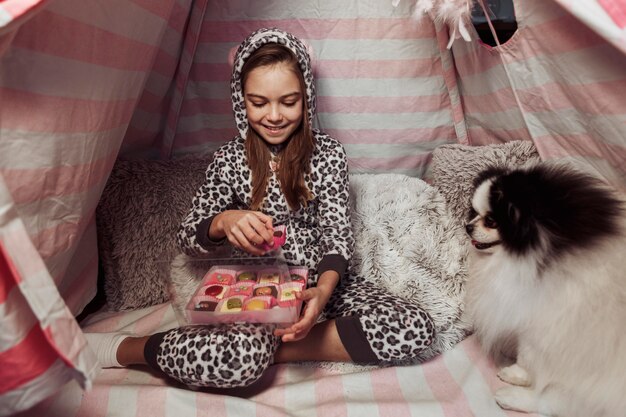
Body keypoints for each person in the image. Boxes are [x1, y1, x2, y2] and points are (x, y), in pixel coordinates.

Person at [85, 28, 435, 388]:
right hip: (256, 289)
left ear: (307, 97)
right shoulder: (229, 160)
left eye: (288, 101)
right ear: (241, 101)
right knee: (237, 362)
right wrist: (223, 221)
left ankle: (274, 350)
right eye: (258, 102)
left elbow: (337, 234)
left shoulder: (329, 155)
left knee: (414, 327)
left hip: (321, 282)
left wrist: (323, 292)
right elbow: (188, 235)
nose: (274, 116)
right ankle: (127, 348)